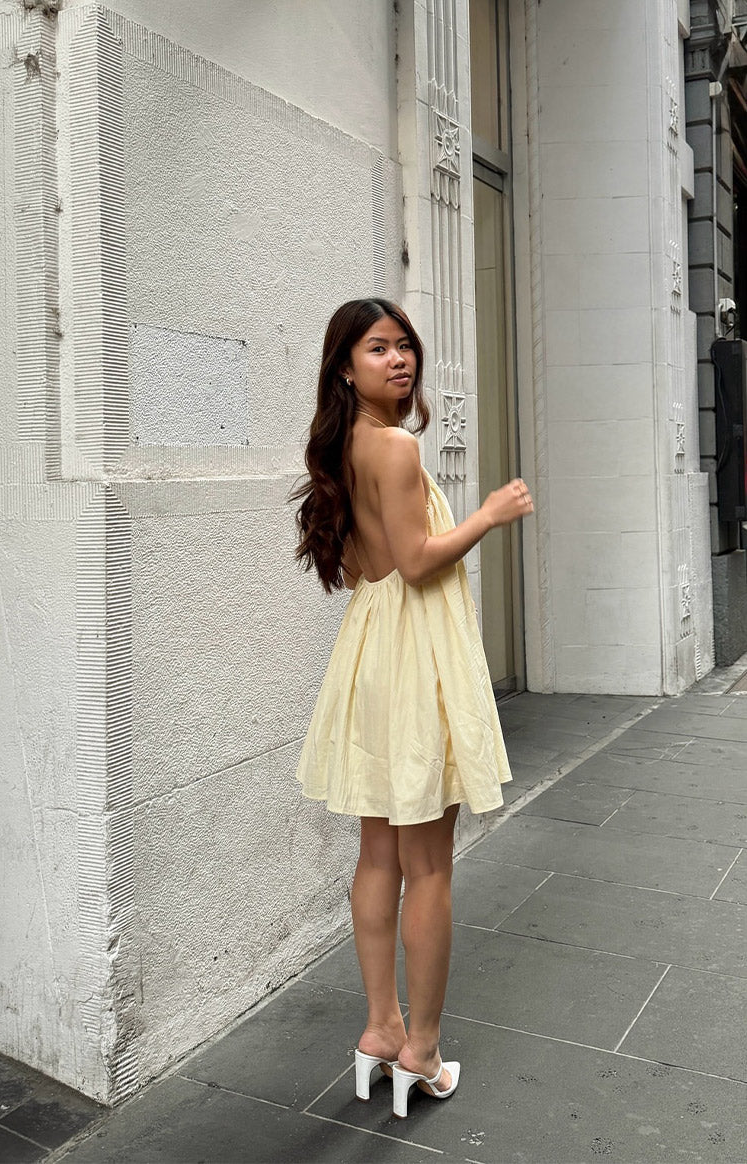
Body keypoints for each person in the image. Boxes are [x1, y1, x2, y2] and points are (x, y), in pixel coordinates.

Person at [292, 298, 533, 1119]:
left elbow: (371, 565)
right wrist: (488, 516)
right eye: (377, 348)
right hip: (411, 651)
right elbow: (417, 562)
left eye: (404, 346)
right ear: (344, 367)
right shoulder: (393, 446)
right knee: (427, 864)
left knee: (378, 855)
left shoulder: (348, 444)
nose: (398, 360)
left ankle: (380, 1031)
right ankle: (422, 1052)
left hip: (371, 650)